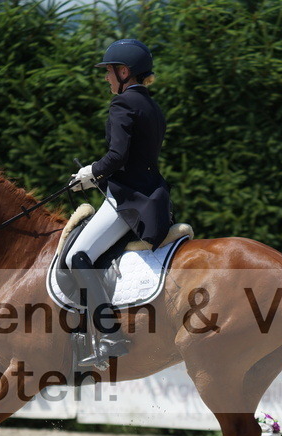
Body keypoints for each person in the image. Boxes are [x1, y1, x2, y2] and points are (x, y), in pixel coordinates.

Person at [67, 38, 172, 368]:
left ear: (124, 72)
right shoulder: (152, 107)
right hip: (154, 196)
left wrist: (90, 173)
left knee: (77, 256)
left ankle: (110, 335)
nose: (106, 78)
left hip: (127, 200)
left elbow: (117, 156)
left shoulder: (122, 104)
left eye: (109, 72)